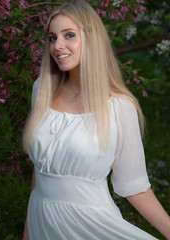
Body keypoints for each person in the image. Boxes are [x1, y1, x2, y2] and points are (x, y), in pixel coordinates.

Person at [22, 1, 170, 239]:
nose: (58, 46)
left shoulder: (120, 107)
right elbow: (40, 172)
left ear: (92, 39)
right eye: (52, 38)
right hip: (43, 222)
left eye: (69, 35)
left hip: (92, 226)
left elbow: (134, 186)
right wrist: (28, 233)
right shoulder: (42, 90)